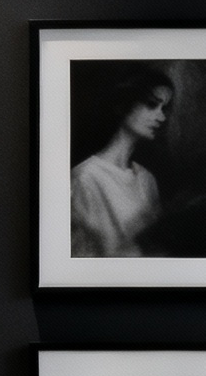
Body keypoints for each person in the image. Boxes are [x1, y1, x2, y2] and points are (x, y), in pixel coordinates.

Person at [69, 69, 174, 258]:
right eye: (152, 105)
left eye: (164, 108)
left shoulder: (147, 179)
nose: (162, 117)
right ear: (124, 105)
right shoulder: (84, 178)